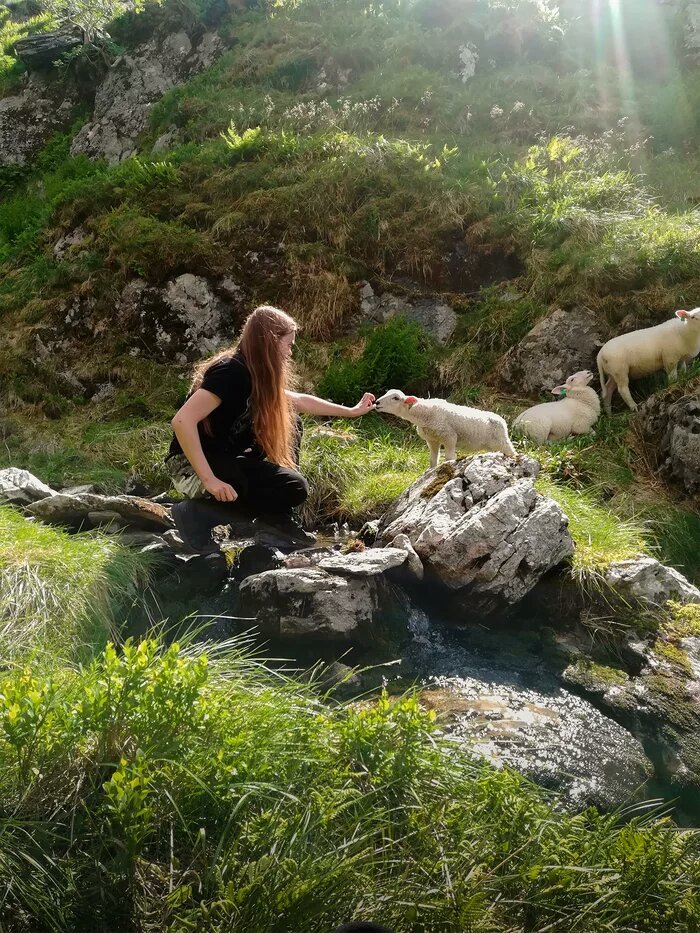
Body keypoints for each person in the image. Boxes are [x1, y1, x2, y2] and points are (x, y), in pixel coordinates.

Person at [166, 305, 375, 553]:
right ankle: (195, 515)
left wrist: (351, 411)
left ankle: (278, 519)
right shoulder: (230, 372)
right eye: (288, 344)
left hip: (227, 459)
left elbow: (298, 401)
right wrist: (210, 481)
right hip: (189, 465)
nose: (289, 352)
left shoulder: (258, 375)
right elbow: (182, 421)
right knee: (238, 485)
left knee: (294, 481)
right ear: (269, 342)